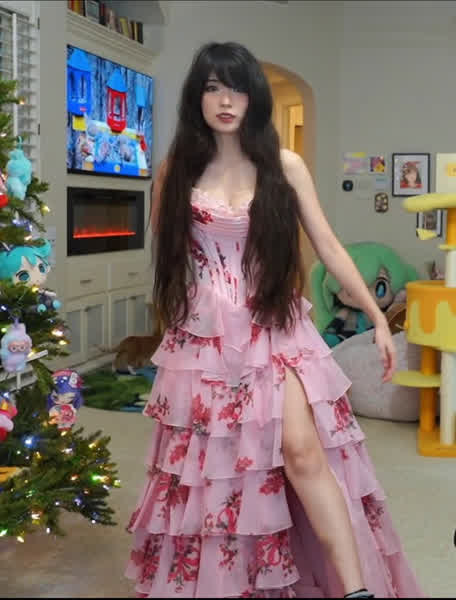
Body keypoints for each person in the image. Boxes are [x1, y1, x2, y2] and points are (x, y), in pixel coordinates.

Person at [125, 42, 424, 599]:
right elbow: (169, 254)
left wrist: (379, 319)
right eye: (212, 88)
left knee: (303, 451)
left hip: (273, 326)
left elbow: (328, 244)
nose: (225, 100)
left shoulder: (285, 166)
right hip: (206, 337)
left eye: (236, 88)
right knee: (217, 468)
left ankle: (355, 590)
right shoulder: (176, 170)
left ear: (254, 98)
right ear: (197, 98)